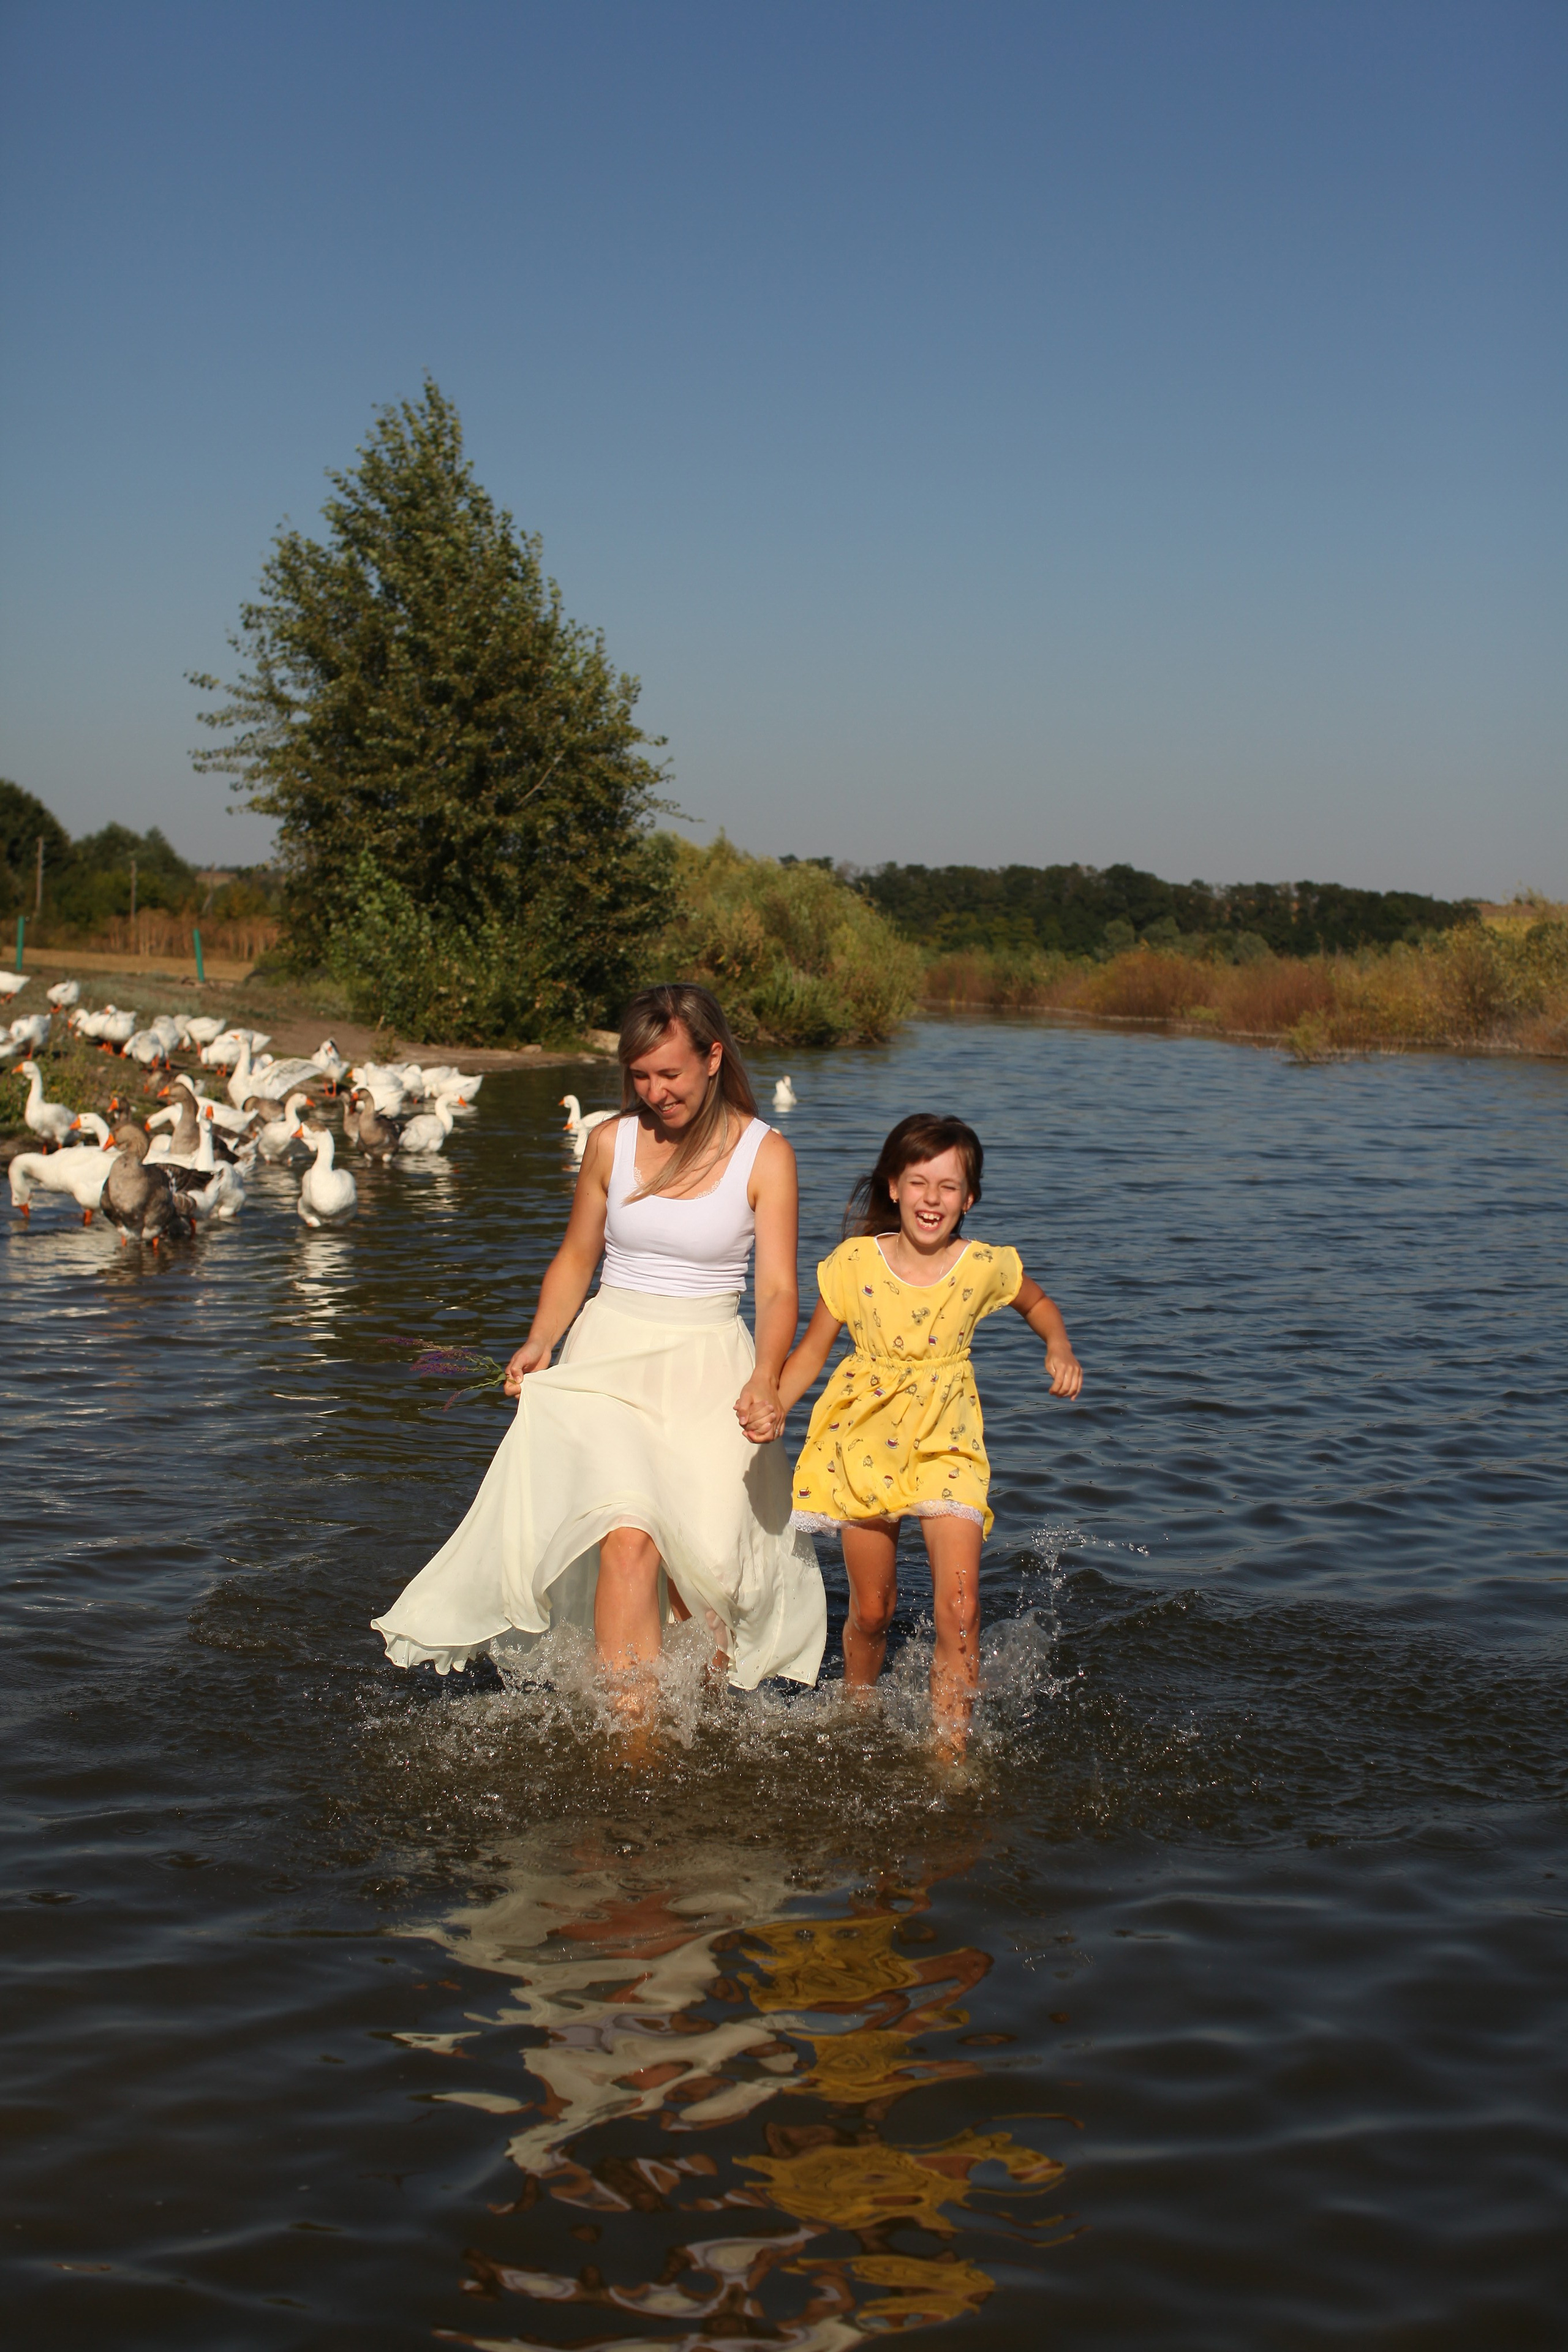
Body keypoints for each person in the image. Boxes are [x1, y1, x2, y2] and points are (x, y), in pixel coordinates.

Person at [372, 985, 826, 1700]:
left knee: (708, 1571)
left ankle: (698, 1715)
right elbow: (578, 1256)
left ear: (712, 1058)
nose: (655, 1092)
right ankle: (629, 1736)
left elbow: (775, 1291)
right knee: (627, 1534)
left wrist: (766, 1376)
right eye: (640, 1076)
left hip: (710, 1368)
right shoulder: (610, 1142)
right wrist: (539, 1341)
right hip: (607, 1358)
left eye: (669, 1074)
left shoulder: (765, 1155)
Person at [777, 1112, 1081, 1754]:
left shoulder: (982, 1266)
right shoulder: (854, 1263)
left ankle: (951, 1755)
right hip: (864, 1440)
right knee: (873, 1610)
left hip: (949, 1442)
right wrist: (773, 1406)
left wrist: (1058, 1346)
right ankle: (857, 1711)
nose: (932, 1198)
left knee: (961, 1611)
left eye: (949, 1186)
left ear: (969, 1198)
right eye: (919, 1182)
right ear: (893, 1187)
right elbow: (809, 1354)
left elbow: (1037, 1302)